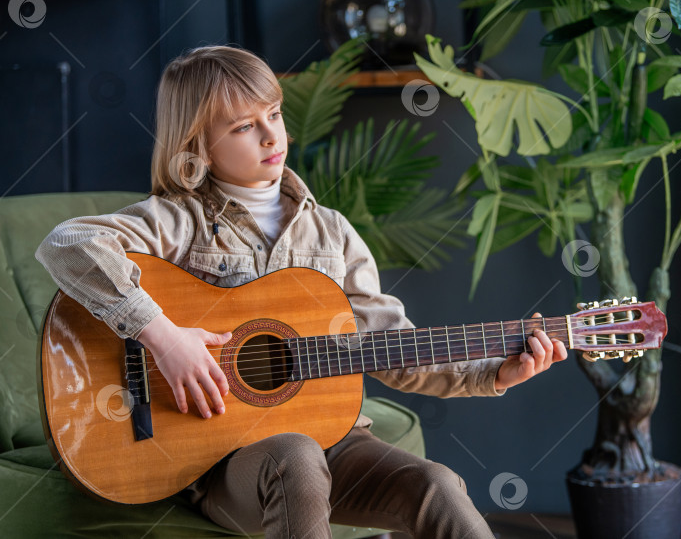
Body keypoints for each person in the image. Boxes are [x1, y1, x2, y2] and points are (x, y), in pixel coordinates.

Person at [36, 45, 567, 539]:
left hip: (334, 440)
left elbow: (391, 346)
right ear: (196, 144)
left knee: (439, 487)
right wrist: (165, 340)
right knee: (293, 455)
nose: (271, 136)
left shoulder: (332, 234)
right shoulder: (179, 221)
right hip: (220, 457)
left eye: (275, 114)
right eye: (245, 126)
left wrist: (494, 373)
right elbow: (69, 242)